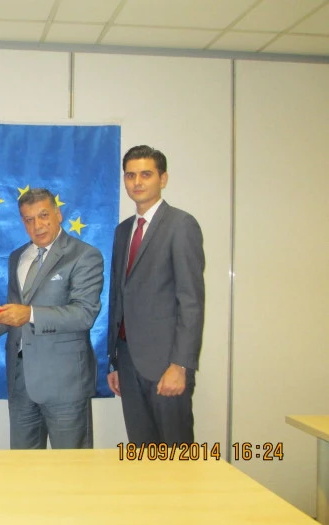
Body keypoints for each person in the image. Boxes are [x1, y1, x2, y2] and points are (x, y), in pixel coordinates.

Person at [0, 188, 104, 449]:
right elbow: (15, 311)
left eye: (43, 215)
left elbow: (84, 314)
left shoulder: (84, 255)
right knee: (24, 467)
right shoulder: (17, 257)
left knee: (71, 467)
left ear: (58, 214)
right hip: (20, 380)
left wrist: (30, 314)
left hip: (65, 382)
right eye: (29, 219)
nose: (37, 225)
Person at [107, 145, 205, 446]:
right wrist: (115, 362)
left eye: (146, 174)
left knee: (175, 454)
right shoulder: (123, 231)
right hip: (128, 362)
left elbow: (191, 302)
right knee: (142, 452)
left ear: (163, 179)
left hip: (166, 364)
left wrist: (180, 365)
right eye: (130, 175)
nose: (137, 182)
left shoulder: (181, 225)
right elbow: (118, 298)